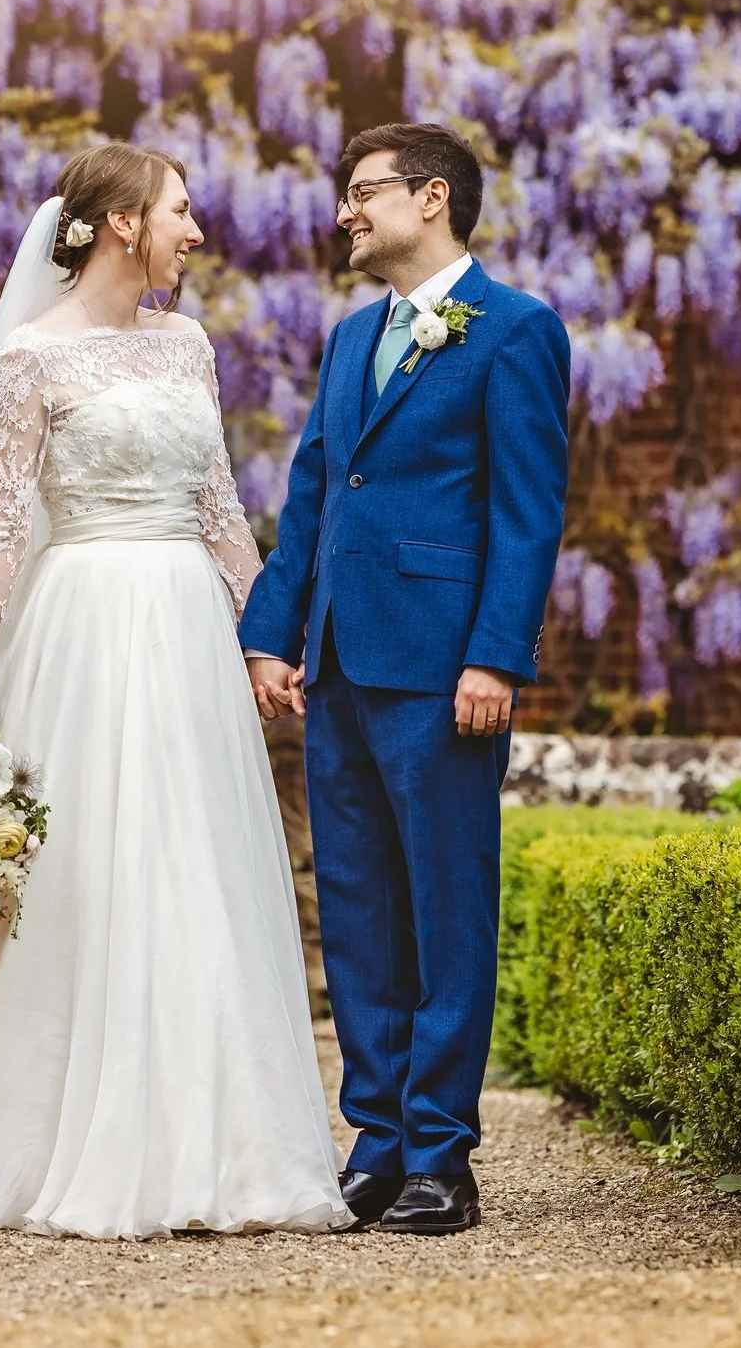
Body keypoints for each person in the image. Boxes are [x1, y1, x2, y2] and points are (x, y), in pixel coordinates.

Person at [0, 142, 349, 1240]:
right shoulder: (30, 358)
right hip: (82, 621)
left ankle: (216, 1137)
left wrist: (265, 636)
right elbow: (2, 534)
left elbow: (219, 507)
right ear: (120, 222)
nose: (195, 229)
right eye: (178, 210)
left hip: (184, 627)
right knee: (89, 866)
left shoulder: (187, 345)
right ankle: (52, 1132)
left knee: (191, 859)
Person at [239, 122, 571, 1236]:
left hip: (441, 667)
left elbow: (527, 513)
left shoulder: (516, 330)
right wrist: (268, 635)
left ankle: (442, 1152)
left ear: (431, 197)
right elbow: (315, 498)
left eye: (362, 191)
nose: (344, 211)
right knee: (362, 911)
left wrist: (495, 653)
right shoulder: (347, 339)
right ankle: (374, 1145)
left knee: (447, 906)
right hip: (336, 660)